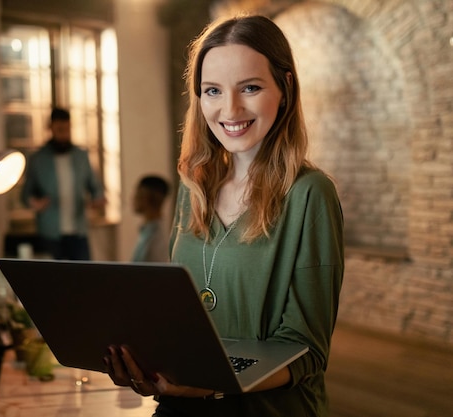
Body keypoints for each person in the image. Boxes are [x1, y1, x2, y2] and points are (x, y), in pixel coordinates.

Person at [104, 14, 344, 417]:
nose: (229, 109)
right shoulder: (192, 186)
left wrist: (210, 387)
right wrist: (148, 364)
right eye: (212, 90)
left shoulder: (310, 194)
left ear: (285, 88)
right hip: (180, 404)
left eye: (249, 87)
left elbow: (307, 349)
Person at [21, 107, 105, 260]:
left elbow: (95, 186)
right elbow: (26, 194)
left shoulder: (81, 156)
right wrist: (34, 203)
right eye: (59, 129)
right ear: (51, 128)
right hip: (50, 233)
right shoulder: (38, 159)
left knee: (84, 277)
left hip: (79, 230)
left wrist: (98, 199)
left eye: (66, 129)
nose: (63, 134)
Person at [130, 175, 171, 263]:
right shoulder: (147, 231)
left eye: (137, 193)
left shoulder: (157, 238)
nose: (133, 198)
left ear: (147, 197)